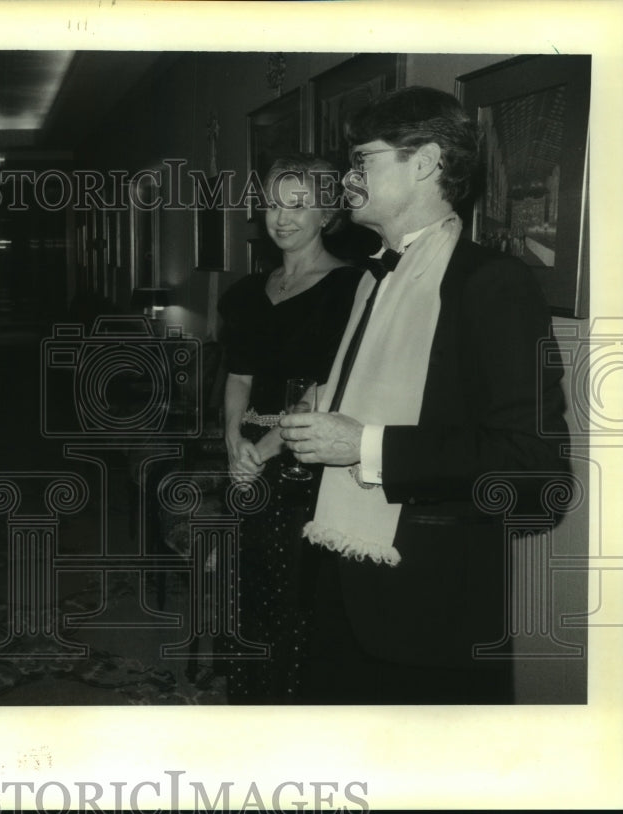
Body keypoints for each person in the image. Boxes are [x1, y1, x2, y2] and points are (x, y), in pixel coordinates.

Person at [279, 86, 569, 704]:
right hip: (341, 580)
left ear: (427, 161)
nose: (348, 180)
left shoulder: (493, 284)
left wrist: (365, 444)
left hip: (430, 616)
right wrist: (324, 410)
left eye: (364, 161)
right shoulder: (371, 277)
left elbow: (536, 470)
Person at [217, 155, 361, 703]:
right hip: (246, 466)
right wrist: (234, 441)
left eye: (299, 205)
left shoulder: (350, 288)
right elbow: (238, 374)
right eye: (275, 204)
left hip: (305, 464)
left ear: (327, 212)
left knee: (296, 599)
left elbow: (328, 385)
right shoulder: (251, 290)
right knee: (249, 592)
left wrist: (265, 448)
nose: (283, 218)